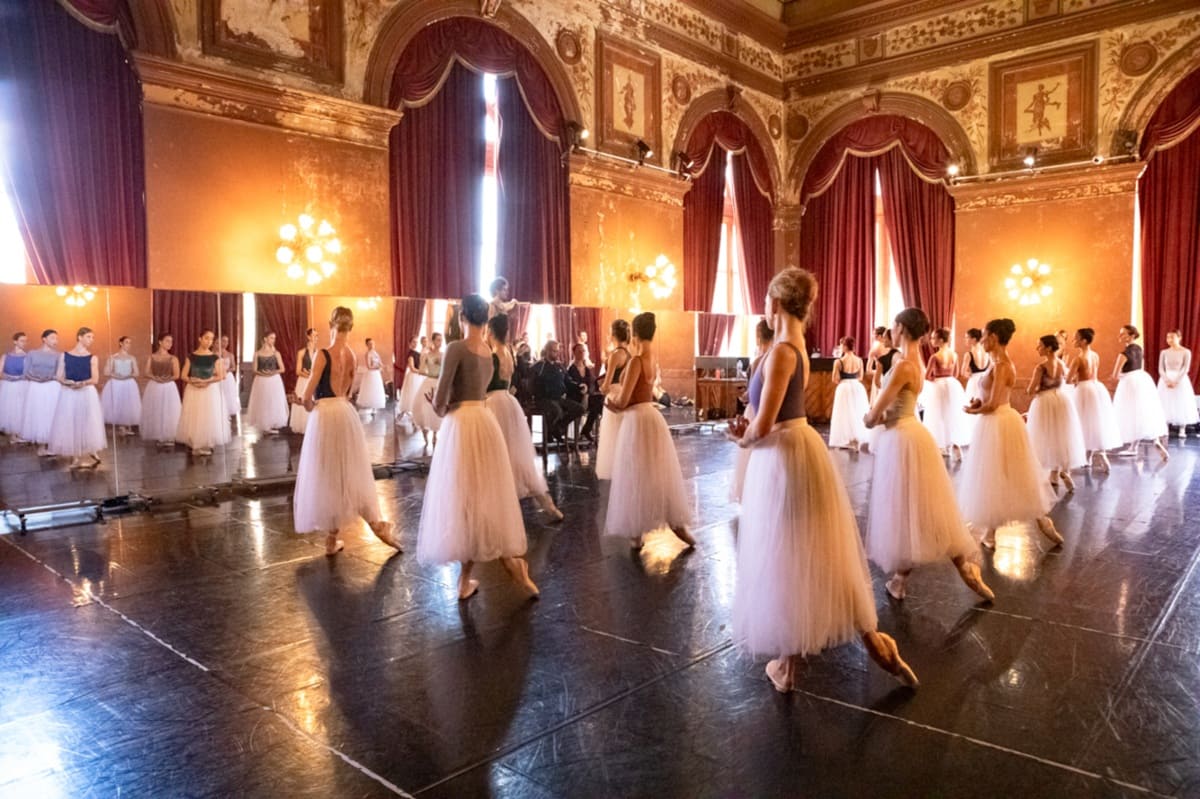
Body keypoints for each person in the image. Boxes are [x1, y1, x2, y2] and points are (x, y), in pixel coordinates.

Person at [728, 268, 917, 694]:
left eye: (766, 298)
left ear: (775, 303)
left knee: (787, 552)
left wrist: (742, 439)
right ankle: (863, 648)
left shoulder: (781, 352)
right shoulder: (793, 345)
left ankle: (795, 663)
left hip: (783, 456)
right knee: (805, 552)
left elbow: (764, 423)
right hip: (794, 451)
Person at [863, 308, 992, 603]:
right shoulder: (915, 363)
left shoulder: (903, 366)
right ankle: (908, 578)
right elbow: (897, 406)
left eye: (893, 327)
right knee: (924, 505)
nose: (890, 332)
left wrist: (868, 419)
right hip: (910, 433)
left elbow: (876, 413)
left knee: (906, 508)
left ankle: (904, 579)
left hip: (902, 439)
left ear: (901, 329)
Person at [416, 293, 538, 600]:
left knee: (464, 498)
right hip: (484, 422)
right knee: (481, 495)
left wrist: (435, 405)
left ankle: (506, 568)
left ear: (463, 318)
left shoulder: (456, 348)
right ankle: (467, 580)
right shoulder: (486, 351)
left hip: (462, 425)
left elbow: (442, 403)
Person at [294, 306, 400, 556]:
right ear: (350, 327)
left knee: (327, 473)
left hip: (325, 415)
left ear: (331, 325)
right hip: (345, 413)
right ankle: (361, 528)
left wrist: (305, 403)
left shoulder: (322, 354)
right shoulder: (352, 355)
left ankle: (336, 537)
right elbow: (348, 392)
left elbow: (308, 398)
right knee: (349, 470)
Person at [961, 319, 1062, 550]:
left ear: (994, 337)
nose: (982, 340)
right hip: (997, 422)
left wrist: (973, 409)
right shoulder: (996, 363)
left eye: (984, 336)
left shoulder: (1002, 365)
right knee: (996, 475)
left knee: (1011, 474)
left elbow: (994, 404)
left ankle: (1041, 520)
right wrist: (979, 401)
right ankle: (991, 532)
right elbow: (991, 397)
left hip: (999, 422)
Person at [603, 312, 694, 549]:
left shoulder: (636, 361)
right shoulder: (653, 359)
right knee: (656, 472)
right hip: (652, 418)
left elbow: (623, 401)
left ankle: (636, 532)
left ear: (635, 334)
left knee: (635, 473)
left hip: (637, 421)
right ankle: (677, 527)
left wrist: (610, 402)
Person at [483, 314, 563, 520]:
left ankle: (500, 507)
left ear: (490, 332)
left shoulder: (492, 355)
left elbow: (484, 384)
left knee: (497, 455)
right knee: (518, 455)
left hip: (493, 403)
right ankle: (547, 504)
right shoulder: (508, 352)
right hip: (509, 403)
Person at [1026, 334, 1087, 492]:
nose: (1037, 348)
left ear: (1047, 348)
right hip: (1061, 401)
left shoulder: (1041, 367)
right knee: (1061, 436)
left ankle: (1051, 473)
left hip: (1044, 402)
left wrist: (1035, 389)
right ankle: (1057, 472)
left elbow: (1031, 390)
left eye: (1039, 346)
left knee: (1045, 436)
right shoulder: (1061, 364)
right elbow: (1069, 380)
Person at [47, 327, 106, 469]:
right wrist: (67, 382)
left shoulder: (93, 357)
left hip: (86, 391)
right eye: (89, 337)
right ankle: (75, 456)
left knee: (88, 420)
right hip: (69, 392)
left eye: (92, 337)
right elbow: (59, 375)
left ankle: (92, 449)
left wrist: (82, 383)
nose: (91, 340)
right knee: (71, 421)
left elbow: (95, 379)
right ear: (80, 337)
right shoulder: (65, 355)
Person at [1066, 327, 1121, 473]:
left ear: (1083, 341)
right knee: (1094, 421)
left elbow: (1068, 379)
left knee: (1082, 422)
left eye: (1075, 338)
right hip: (1096, 388)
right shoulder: (1095, 355)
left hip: (1083, 389)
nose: (1073, 340)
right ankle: (1094, 455)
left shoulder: (1078, 359)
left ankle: (1089, 455)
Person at [1111, 324, 1169, 461]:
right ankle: (1153, 440)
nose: (1120, 336)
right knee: (1142, 411)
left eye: (1123, 333)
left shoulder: (1123, 354)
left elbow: (1114, 375)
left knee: (1131, 413)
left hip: (1129, 383)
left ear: (1131, 336)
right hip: (1142, 379)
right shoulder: (1139, 349)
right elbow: (1138, 367)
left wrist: (1121, 377)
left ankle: (1133, 447)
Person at [731, 319, 773, 503]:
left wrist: (742, 397)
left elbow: (752, 393)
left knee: (752, 454)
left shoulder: (758, 362)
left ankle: (752, 491)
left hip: (756, 411)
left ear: (758, 337)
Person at [176, 330, 229, 456]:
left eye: (211, 339)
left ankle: (207, 442)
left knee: (208, 416)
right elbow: (183, 375)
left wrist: (208, 381)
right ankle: (195, 444)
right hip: (194, 389)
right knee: (195, 416)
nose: (209, 341)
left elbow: (222, 375)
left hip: (209, 389)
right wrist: (193, 381)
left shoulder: (214, 357)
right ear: (200, 339)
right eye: (206, 338)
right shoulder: (191, 356)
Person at [922, 327, 969, 460]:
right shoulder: (954, 355)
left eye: (933, 338)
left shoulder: (935, 356)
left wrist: (935, 379)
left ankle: (942, 445)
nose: (931, 340)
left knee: (938, 414)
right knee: (951, 414)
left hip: (938, 386)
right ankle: (954, 444)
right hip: (952, 385)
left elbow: (927, 376)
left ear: (941, 340)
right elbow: (956, 373)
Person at [595, 319, 632, 481]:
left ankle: (616, 471)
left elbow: (607, 382)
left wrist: (601, 387)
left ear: (613, 334)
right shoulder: (629, 354)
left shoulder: (616, 354)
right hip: (624, 393)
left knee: (612, 437)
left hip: (613, 395)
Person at [20, 329, 63, 454]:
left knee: (51, 414)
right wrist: (36, 379)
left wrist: (50, 378)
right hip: (36, 387)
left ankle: (52, 445)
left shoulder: (58, 355)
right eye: (53, 338)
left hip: (51, 386)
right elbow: (26, 372)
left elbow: (59, 373)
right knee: (39, 414)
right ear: (44, 339)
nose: (56, 341)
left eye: (57, 338)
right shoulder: (32, 353)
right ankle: (41, 447)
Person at [533, 341, 585, 442]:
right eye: (554, 351)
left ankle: (557, 429)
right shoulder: (540, 366)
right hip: (544, 398)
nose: (556, 354)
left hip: (559, 398)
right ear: (547, 351)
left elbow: (568, 381)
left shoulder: (560, 366)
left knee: (580, 409)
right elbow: (534, 385)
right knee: (557, 411)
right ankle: (551, 432)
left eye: (557, 351)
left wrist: (579, 386)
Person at [141, 334, 182, 447]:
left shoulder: (173, 358)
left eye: (171, 342)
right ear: (160, 342)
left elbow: (177, 375)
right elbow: (146, 372)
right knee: (156, 410)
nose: (170, 344)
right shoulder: (152, 357)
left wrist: (166, 379)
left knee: (169, 410)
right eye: (167, 341)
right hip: (155, 385)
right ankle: (159, 435)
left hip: (168, 386)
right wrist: (155, 378)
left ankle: (169, 435)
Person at [828, 335, 868, 450]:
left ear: (845, 346)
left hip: (844, 387)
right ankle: (855, 438)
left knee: (844, 413)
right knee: (856, 412)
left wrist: (843, 381)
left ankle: (846, 438)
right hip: (857, 386)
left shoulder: (838, 361)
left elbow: (834, 379)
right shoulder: (859, 360)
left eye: (841, 345)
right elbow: (861, 377)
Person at [1158, 329, 1198, 437]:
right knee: (1165, 401)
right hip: (1166, 379)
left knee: (1181, 401)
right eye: (1168, 337)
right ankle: (1164, 427)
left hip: (1180, 379)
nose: (1170, 340)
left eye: (1172, 337)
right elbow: (1161, 368)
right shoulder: (1164, 352)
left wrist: (1176, 381)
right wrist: (1166, 380)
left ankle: (1182, 429)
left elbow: (1185, 368)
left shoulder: (1186, 352)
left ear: (1179, 338)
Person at [247, 332, 288, 433]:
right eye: (271, 338)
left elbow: (282, 369)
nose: (273, 340)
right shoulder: (257, 353)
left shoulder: (276, 353)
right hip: (261, 380)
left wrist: (272, 372)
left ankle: (272, 423)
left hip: (274, 380)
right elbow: (254, 369)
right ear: (265, 339)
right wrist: (263, 373)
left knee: (273, 401)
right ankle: (264, 424)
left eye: (274, 338)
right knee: (263, 401)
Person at [100, 336, 141, 437]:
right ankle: (121, 427)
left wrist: (128, 375)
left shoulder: (132, 358)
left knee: (127, 404)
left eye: (130, 343)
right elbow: (106, 372)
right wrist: (116, 375)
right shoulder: (113, 357)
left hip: (128, 382)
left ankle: (126, 426)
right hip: (116, 383)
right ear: (121, 343)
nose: (129, 345)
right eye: (127, 342)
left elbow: (136, 373)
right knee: (118, 403)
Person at [412, 332, 444, 450]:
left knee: (437, 407)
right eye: (437, 340)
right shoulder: (426, 355)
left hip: (438, 383)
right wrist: (431, 373)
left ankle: (435, 434)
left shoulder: (443, 355)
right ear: (433, 341)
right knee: (425, 408)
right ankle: (425, 435)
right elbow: (420, 371)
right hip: (429, 382)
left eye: (441, 340)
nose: (439, 343)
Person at [566, 342, 603, 442]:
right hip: (576, 397)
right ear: (574, 353)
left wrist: (587, 394)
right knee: (594, 404)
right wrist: (583, 394)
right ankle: (584, 431)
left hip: (587, 397)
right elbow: (571, 386)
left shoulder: (587, 368)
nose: (582, 353)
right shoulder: (571, 369)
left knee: (600, 401)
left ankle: (587, 429)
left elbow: (591, 383)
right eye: (579, 351)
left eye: (583, 351)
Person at [289, 328, 319, 434]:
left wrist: (313, 375)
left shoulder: (318, 353)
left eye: (317, 336)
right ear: (308, 337)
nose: (316, 338)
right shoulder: (301, 352)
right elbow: (298, 371)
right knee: (304, 402)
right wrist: (308, 374)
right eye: (314, 336)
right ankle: (304, 425)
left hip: (314, 381)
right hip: (303, 381)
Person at [0, 332, 28, 441]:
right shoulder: (5, 356)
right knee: (9, 408)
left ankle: (18, 434)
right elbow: (0, 371)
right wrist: (7, 377)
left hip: (21, 384)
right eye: (22, 340)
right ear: (15, 341)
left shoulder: (26, 357)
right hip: (8, 385)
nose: (24, 343)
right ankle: (12, 435)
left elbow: (27, 372)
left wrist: (19, 378)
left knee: (19, 408)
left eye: (25, 341)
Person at [395, 335, 423, 424]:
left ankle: (413, 415)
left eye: (416, 342)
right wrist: (421, 372)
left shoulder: (417, 353)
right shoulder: (411, 354)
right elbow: (412, 368)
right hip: (413, 376)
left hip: (417, 376)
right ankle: (405, 414)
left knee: (415, 395)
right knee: (411, 395)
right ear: (409, 343)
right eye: (413, 342)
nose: (415, 344)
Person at [355, 338, 386, 413]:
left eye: (373, 344)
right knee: (371, 389)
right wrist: (377, 367)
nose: (372, 345)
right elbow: (369, 366)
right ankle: (370, 405)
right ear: (367, 345)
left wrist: (382, 366)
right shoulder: (367, 354)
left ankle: (375, 406)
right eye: (370, 344)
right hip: (371, 374)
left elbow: (379, 362)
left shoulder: (375, 353)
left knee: (377, 389)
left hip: (376, 374)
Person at [216, 334, 239, 418]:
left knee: (227, 395)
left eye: (227, 341)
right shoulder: (214, 354)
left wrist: (226, 370)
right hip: (217, 376)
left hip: (227, 377)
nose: (225, 343)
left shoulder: (230, 354)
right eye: (223, 341)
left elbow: (233, 367)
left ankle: (227, 414)